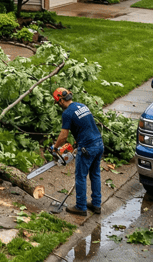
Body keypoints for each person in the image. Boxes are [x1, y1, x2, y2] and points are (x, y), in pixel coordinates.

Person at [52, 87, 104, 216]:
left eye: (58, 103)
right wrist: (77, 141)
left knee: (80, 176)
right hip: (98, 143)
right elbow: (85, 125)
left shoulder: (67, 113)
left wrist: (55, 147)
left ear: (61, 101)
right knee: (95, 174)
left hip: (87, 147)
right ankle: (96, 205)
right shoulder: (82, 106)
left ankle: (81, 206)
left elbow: (63, 136)